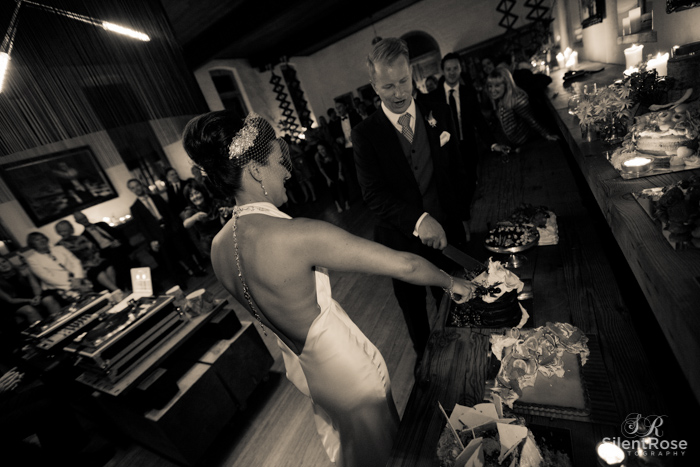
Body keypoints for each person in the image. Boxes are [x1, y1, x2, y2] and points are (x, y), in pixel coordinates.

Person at [181, 111, 475, 467]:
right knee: (388, 456)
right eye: (278, 161)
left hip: (311, 376)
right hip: (350, 376)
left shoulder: (218, 248)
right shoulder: (297, 235)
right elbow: (405, 264)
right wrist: (451, 281)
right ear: (256, 170)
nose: (288, 172)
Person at [352, 38, 473, 366]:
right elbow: (373, 195)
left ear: (412, 74)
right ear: (374, 85)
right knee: (415, 313)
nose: (398, 92)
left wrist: (463, 215)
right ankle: (429, 368)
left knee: (454, 298)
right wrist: (419, 221)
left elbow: (457, 167)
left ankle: (465, 359)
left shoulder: (439, 110)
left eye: (404, 81)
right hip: (400, 241)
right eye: (388, 86)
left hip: (446, 231)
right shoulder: (365, 134)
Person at [428, 53, 496, 240]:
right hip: (446, 153)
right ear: (443, 70)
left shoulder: (468, 93)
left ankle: (464, 218)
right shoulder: (433, 97)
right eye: (448, 69)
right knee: (452, 190)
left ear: (460, 69)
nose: (451, 72)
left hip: (467, 150)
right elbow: (430, 123)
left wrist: (492, 143)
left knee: (470, 186)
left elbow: (479, 121)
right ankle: (461, 225)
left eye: (455, 68)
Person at [127, 179, 206, 290]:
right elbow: (142, 227)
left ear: (141, 184)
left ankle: (197, 271)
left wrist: (176, 226)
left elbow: (169, 211)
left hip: (170, 228)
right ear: (131, 190)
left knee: (183, 251)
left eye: (137, 185)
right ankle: (180, 282)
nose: (137, 189)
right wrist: (151, 241)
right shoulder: (134, 208)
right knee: (169, 260)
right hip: (156, 235)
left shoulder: (156, 197)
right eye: (133, 187)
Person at [485, 67, 558, 149]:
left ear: (507, 84)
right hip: (515, 145)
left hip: (528, 145)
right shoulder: (501, 100)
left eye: (497, 85)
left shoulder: (517, 99)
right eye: (490, 86)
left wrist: (546, 134)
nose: (492, 90)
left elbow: (531, 120)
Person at [73, 211, 132, 290]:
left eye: (84, 217)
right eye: (80, 219)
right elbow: (93, 250)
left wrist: (118, 241)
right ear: (77, 222)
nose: (84, 220)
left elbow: (118, 233)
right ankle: (127, 285)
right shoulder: (84, 235)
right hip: (105, 252)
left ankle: (128, 284)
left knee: (119, 255)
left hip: (118, 246)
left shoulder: (101, 224)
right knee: (116, 258)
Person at [54, 220, 119, 292]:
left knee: (108, 265)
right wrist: (85, 265)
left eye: (65, 230)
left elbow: (94, 249)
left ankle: (114, 290)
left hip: (94, 260)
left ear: (71, 229)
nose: (63, 233)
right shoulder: (59, 246)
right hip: (82, 267)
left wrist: (96, 257)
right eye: (60, 231)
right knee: (98, 271)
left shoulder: (81, 237)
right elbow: (68, 262)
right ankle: (116, 290)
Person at [0, 255, 61, 327]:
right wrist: (28, 300)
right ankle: (43, 331)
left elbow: (35, 286)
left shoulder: (23, 270)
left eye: (4, 261)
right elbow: (10, 300)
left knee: (49, 299)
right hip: (17, 302)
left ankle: (60, 323)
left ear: (8, 261)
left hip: (33, 295)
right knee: (29, 310)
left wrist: (37, 296)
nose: (3, 265)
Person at [24, 232, 92, 295]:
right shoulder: (32, 259)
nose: (42, 241)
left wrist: (78, 278)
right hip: (60, 286)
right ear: (32, 244)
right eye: (37, 240)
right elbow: (47, 278)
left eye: (43, 238)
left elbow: (76, 262)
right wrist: (73, 285)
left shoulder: (60, 248)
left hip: (79, 277)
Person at [181, 181, 234, 255]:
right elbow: (186, 224)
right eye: (191, 195)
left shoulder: (214, 202)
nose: (195, 197)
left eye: (196, 192)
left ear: (202, 192)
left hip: (225, 237)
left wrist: (228, 210)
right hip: (210, 244)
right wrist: (195, 217)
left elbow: (235, 207)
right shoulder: (191, 210)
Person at [314, 141, 350, 213]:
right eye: (319, 150)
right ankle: (338, 206)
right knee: (332, 189)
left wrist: (340, 173)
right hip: (328, 174)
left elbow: (339, 162)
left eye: (322, 149)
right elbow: (320, 168)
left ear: (326, 148)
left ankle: (346, 203)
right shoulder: (317, 156)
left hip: (336, 170)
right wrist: (327, 178)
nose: (321, 151)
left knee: (342, 185)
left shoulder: (333, 151)